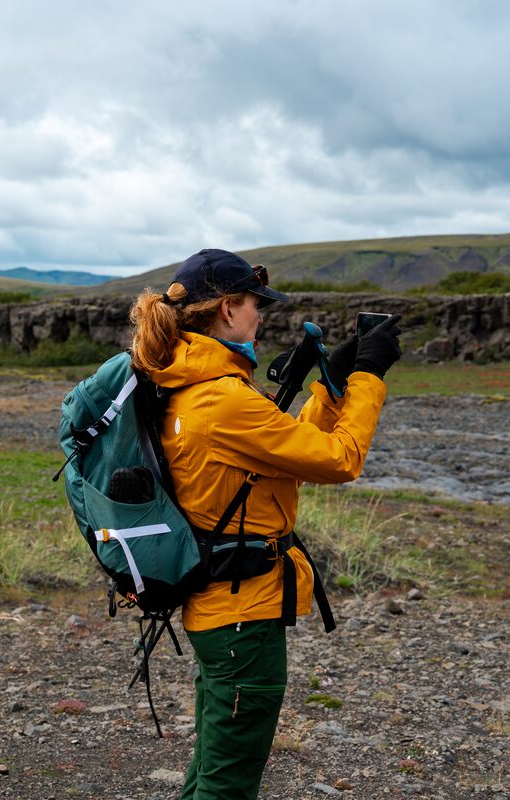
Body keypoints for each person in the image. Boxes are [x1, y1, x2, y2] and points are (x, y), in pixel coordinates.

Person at [127, 248, 401, 799]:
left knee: (210, 771)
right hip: (242, 617)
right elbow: (338, 459)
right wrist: (369, 378)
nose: (260, 316)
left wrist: (331, 381)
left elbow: (283, 453)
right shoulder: (223, 400)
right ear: (228, 308)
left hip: (218, 609)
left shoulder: (187, 386)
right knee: (227, 786)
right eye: (255, 305)